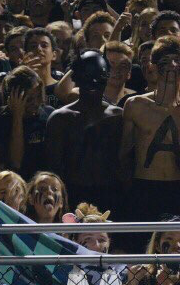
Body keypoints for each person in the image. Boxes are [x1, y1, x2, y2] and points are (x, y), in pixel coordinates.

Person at [119, 36, 180, 251]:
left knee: (177, 251)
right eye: (165, 60)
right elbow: (124, 153)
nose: (172, 65)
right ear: (153, 66)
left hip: (178, 190)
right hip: (143, 188)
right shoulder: (136, 104)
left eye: (177, 60)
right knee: (140, 251)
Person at [45, 50, 123, 210]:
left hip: (111, 196)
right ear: (77, 80)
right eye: (88, 82)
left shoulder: (118, 116)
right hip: (71, 195)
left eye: (98, 82)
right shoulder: (60, 119)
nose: (93, 88)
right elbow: (54, 168)